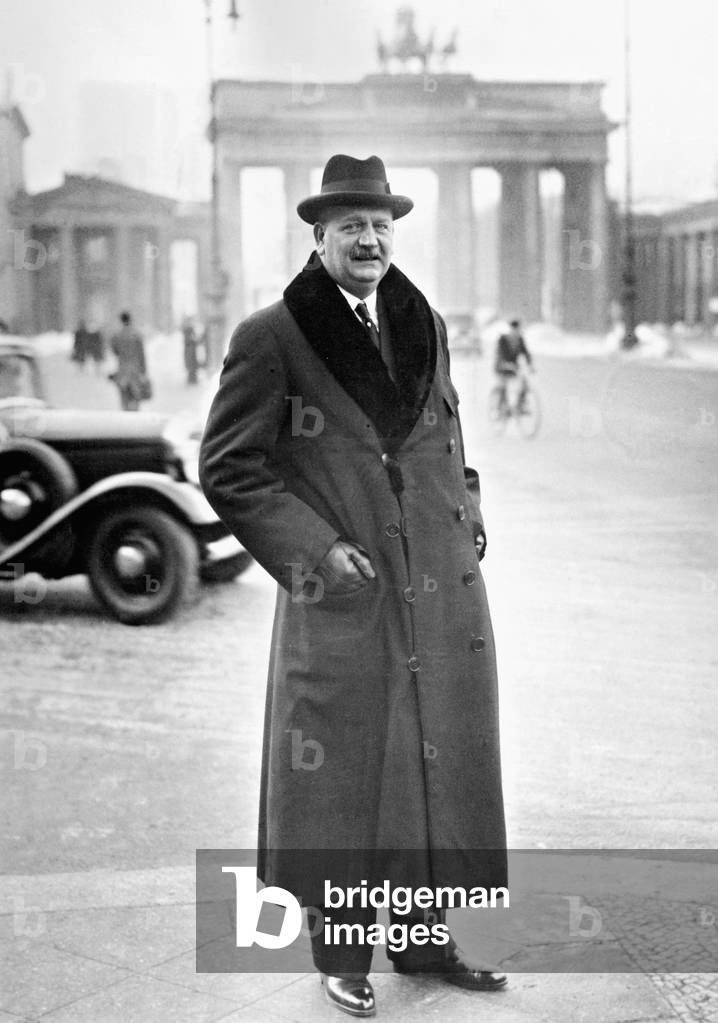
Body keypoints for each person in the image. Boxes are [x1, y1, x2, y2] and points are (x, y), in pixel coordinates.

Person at [199, 155, 507, 1017]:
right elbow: (229, 467)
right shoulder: (273, 334)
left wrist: (469, 504)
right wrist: (318, 549)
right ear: (319, 237)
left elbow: (448, 431)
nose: (369, 239)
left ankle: (425, 938)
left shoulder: (426, 321)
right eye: (350, 227)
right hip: (347, 591)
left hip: (440, 592)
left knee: (432, 765)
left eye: (380, 224)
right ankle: (342, 953)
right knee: (345, 775)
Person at [109, 311, 149, 411]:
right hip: (135, 369)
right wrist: (144, 371)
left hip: (122, 369)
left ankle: (126, 413)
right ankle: (134, 414)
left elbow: (115, 351)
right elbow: (141, 354)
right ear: (130, 320)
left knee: (124, 393)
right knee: (135, 393)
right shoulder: (136, 335)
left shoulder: (117, 335)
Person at [494, 318, 534, 411]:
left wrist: (530, 364)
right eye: (515, 329)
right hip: (502, 366)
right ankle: (500, 406)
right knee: (503, 385)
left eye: (518, 330)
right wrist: (505, 363)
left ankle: (521, 404)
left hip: (514, 367)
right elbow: (500, 353)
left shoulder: (520, 340)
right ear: (511, 329)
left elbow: (526, 353)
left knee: (524, 382)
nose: (516, 332)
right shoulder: (503, 339)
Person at [181, 315, 199, 384]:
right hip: (190, 350)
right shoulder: (188, 329)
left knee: (192, 365)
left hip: (190, 350)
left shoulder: (189, 329)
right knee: (191, 365)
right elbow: (190, 339)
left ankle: (192, 379)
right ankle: (192, 379)